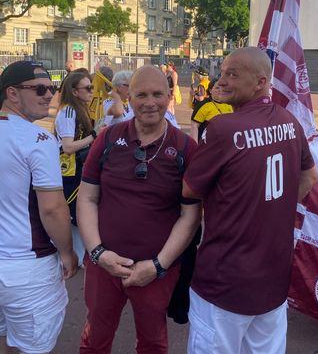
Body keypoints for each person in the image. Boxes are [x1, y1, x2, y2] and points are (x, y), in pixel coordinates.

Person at [183, 47, 318, 354]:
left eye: (233, 74)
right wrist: (271, 207)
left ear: (260, 82)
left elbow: (189, 188)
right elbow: (311, 177)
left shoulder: (222, 128)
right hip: (273, 278)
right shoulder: (289, 121)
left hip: (224, 279)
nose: (223, 80)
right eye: (222, 72)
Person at [77, 65, 201, 354]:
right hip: (103, 265)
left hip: (155, 270)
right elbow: (87, 199)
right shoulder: (108, 139)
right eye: (141, 94)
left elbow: (190, 215)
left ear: (170, 96)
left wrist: (159, 265)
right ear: (128, 98)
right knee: (95, 339)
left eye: (157, 94)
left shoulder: (185, 148)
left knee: (153, 343)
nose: (149, 102)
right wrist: (98, 253)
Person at [0, 61, 78, 354]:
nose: (50, 95)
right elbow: (53, 209)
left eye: (53, 88)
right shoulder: (39, 139)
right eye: (41, 89)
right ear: (12, 93)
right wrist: (68, 252)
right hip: (27, 268)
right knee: (35, 347)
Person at [54, 71, 99, 266]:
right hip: (69, 169)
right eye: (87, 88)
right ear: (74, 91)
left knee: (77, 212)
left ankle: (80, 255)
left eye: (92, 87)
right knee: (74, 212)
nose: (91, 91)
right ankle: (72, 254)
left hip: (78, 167)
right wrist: (95, 136)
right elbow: (68, 147)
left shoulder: (78, 110)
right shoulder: (68, 112)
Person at [190, 77, 233, 142]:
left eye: (223, 88)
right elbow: (194, 125)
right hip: (207, 144)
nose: (220, 90)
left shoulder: (230, 103)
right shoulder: (203, 105)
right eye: (217, 88)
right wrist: (194, 146)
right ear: (210, 90)